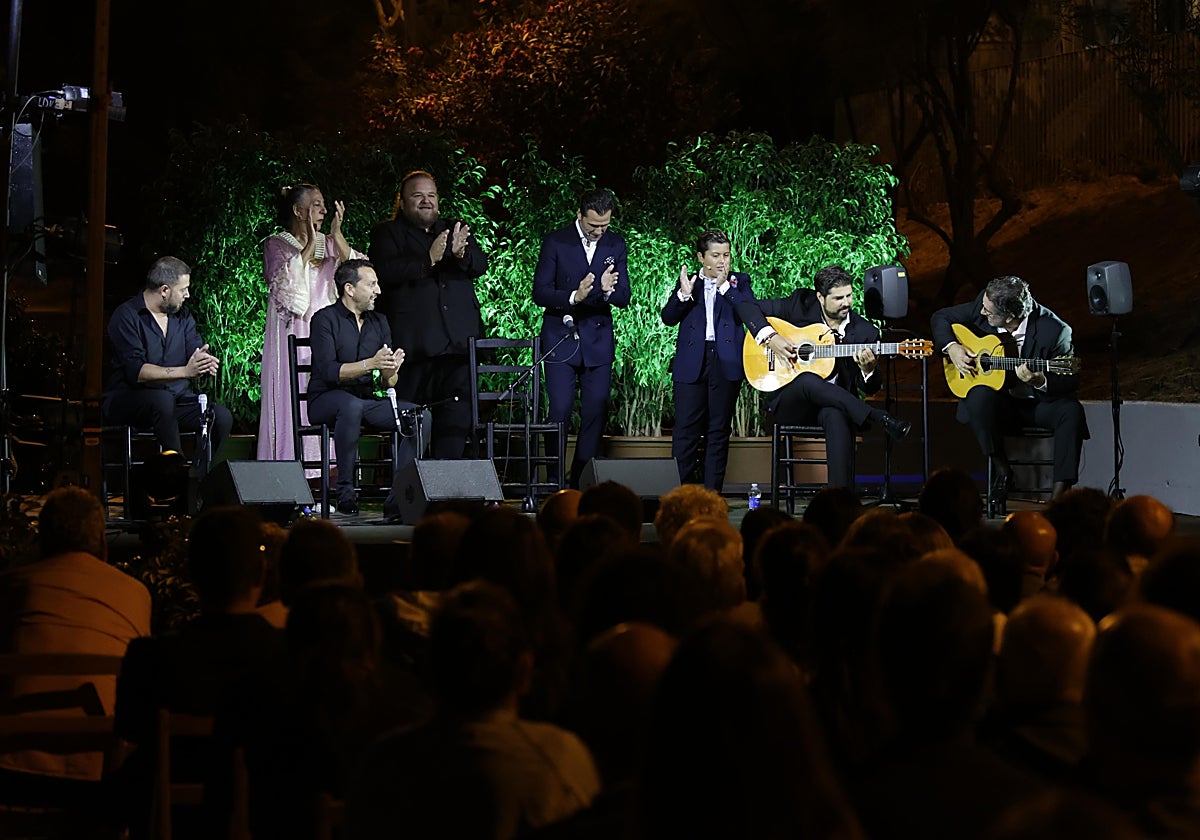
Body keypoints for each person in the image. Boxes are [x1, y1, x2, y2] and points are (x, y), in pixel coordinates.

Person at [0, 487, 151, 785]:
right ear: (101, 545)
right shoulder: (136, 593)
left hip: (12, 772)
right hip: (102, 773)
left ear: (41, 541)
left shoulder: (12, 587)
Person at [736, 264, 911, 489]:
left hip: (835, 408)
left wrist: (868, 370)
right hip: (792, 405)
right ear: (820, 297)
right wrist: (771, 338)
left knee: (836, 413)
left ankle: (841, 499)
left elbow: (870, 388)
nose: (847, 302)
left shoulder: (865, 331)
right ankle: (877, 417)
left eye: (849, 295)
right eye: (838, 298)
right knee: (808, 379)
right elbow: (745, 306)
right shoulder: (800, 304)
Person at [931, 275, 1087, 507]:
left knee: (1071, 412)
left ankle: (1059, 496)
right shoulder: (986, 302)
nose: (982, 313)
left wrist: (1040, 380)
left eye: (989, 312)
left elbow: (1070, 380)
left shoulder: (1055, 330)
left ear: (1010, 316)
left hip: (1038, 405)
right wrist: (952, 348)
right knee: (978, 395)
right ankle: (1003, 471)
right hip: (1001, 405)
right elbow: (940, 317)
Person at [368, 170, 488, 459]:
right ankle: (409, 491)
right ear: (402, 201)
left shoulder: (453, 227)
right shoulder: (387, 233)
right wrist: (429, 259)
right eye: (418, 195)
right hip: (414, 346)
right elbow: (386, 274)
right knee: (411, 423)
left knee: (457, 420)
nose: (426, 201)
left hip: (458, 343)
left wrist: (461, 255)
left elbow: (480, 264)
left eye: (431, 195)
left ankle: (446, 487)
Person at [308, 259, 428, 516]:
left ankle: (398, 498)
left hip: (365, 400)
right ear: (349, 289)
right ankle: (345, 492)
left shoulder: (379, 322)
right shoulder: (324, 319)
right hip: (326, 399)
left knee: (419, 416)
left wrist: (389, 372)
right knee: (350, 406)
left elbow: (388, 384)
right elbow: (330, 372)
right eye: (371, 284)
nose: (378, 290)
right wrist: (369, 364)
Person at [257, 183, 363, 463]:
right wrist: (308, 249)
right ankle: (289, 468)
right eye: (317, 204)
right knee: (295, 393)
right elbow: (287, 293)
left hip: (325, 332)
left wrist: (337, 236)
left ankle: (329, 474)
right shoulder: (276, 244)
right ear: (298, 211)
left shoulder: (329, 244)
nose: (324, 210)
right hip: (293, 329)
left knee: (327, 391)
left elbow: (360, 274)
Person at [533, 189, 631, 488]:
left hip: (598, 340)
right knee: (560, 409)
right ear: (579, 215)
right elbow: (540, 292)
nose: (599, 232)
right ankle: (553, 481)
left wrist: (607, 289)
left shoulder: (615, 243)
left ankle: (580, 481)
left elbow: (625, 296)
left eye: (604, 225)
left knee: (595, 410)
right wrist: (576, 295)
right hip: (561, 337)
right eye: (593, 226)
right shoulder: (556, 241)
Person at [102, 255, 233, 464]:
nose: (187, 295)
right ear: (164, 291)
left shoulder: (182, 317)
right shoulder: (127, 316)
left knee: (220, 416)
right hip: (130, 399)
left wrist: (203, 360)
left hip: (174, 400)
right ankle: (176, 477)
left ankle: (198, 478)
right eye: (183, 290)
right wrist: (185, 371)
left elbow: (194, 350)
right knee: (162, 402)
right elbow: (137, 372)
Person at [661, 229, 753, 491]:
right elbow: (668, 317)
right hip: (692, 362)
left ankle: (713, 495)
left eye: (726, 255)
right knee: (685, 431)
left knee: (718, 431)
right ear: (702, 257)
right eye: (716, 255)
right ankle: (679, 494)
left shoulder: (740, 282)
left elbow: (749, 312)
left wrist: (725, 288)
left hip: (726, 362)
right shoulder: (689, 282)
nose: (723, 261)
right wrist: (683, 295)